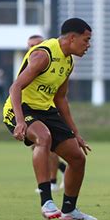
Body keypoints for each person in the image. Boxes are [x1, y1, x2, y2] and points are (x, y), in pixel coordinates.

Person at [2, 18, 96, 220]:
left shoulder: (68, 61)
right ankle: (46, 202)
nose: (88, 45)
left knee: (77, 158)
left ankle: (69, 210)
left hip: (45, 109)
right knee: (43, 137)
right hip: (19, 107)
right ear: (72, 38)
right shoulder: (43, 55)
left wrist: (75, 133)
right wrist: (19, 121)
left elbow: (60, 99)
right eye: (86, 40)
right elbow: (15, 87)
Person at [27, 35, 68, 193]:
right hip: (31, 111)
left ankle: (51, 182)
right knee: (39, 146)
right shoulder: (30, 64)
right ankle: (64, 169)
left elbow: (60, 96)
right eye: (29, 45)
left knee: (47, 145)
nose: (32, 48)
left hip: (47, 111)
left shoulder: (50, 61)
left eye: (36, 45)